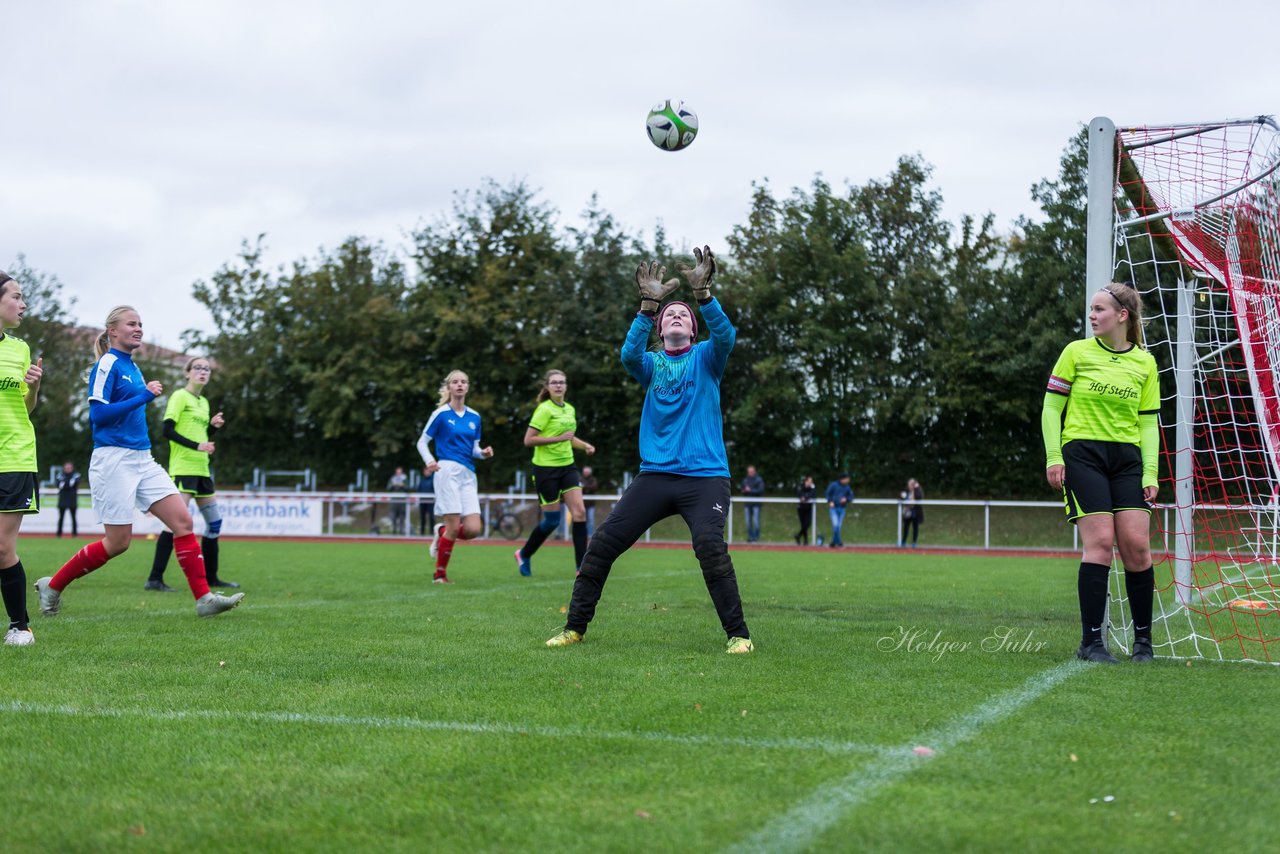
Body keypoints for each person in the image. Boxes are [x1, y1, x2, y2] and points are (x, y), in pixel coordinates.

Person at [546, 245, 753, 654]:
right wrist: (647, 307)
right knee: (602, 544)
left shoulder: (708, 357)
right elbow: (628, 354)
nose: (676, 317)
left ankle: (739, 636)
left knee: (709, 547)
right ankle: (574, 628)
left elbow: (726, 334)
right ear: (660, 331)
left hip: (705, 477)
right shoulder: (652, 364)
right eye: (668, 316)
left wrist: (704, 295)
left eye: (684, 316)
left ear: (694, 331)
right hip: (655, 476)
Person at [34, 307, 244, 619]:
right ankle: (53, 585)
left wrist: (143, 396)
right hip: (113, 460)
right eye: (132, 324)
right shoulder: (107, 364)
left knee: (183, 522)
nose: (139, 329)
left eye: (141, 324)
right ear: (112, 331)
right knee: (118, 543)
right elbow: (98, 415)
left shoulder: (132, 366)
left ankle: (204, 598)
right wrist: (144, 397)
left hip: (142, 459)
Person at [1042, 282, 1159, 665]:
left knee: (1137, 548)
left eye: (1099, 309)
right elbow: (1050, 409)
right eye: (1091, 310)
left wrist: (1150, 473)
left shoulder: (1145, 363)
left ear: (1122, 316)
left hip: (1127, 460)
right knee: (1101, 542)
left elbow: (1147, 424)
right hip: (1082, 455)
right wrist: (1054, 457)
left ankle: (1143, 644)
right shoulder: (1075, 353)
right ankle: (1091, 644)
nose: (1092, 316)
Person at [146, 356, 239, 591]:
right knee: (174, 525)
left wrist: (211, 430)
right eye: (198, 368)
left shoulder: (204, 403)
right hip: (183, 470)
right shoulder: (179, 396)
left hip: (202, 470)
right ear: (187, 373)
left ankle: (212, 577)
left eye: (207, 369)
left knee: (214, 523)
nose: (203, 372)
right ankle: (154, 579)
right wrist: (198, 446)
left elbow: (201, 438)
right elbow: (167, 430)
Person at [514, 369, 596, 577]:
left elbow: (569, 437)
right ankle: (524, 553)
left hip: (567, 466)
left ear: (566, 386)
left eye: (562, 382)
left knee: (579, 513)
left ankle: (581, 568)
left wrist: (584, 445)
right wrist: (558, 439)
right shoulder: (544, 410)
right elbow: (528, 440)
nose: (558, 385)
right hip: (545, 469)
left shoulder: (569, 409)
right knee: (552, 521)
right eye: (554, 383)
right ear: (548, 387)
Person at [416, 369, 494, 583]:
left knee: (473, 529)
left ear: (467, 387)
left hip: (468, 474)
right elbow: (422, 442)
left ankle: (441, 531)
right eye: (455, 382)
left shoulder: (475, 417)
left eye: (463, 382)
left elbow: (474, 449)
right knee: (454, 526)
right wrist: (430, 461)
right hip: (447, 470)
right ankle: (439, 574)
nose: (459, 385)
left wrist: (483, 453)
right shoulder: (441, 414)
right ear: (449, 387)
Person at [0, 271, 42, 645]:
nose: (23, 303)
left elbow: (27, 409)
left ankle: (19, 625)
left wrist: (34, 386)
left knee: (2, 546)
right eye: (16, 296)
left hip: (14, 454)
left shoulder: (20, 349)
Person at [825, 472, 854, 548]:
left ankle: (834, 543)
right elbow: (827, 494)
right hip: (834, 508)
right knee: (836, 525)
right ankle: (839, 542)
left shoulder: (847, 487)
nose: (848, 480)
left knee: (838, 526)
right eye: (847, 479)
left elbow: (851, 497)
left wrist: (846, 499)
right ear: (843, 479)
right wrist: (830, 501)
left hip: (842, 508)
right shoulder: (833, 485)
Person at [55, 461, 81, 538]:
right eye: (66, 468)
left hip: (72, 499)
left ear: (72, 468)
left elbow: (73, 484)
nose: (67, 469)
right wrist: (68, 483)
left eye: (69, 468)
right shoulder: (60, 475)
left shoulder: (76, 475)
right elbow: (59, 485)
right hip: (62, 499)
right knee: (61, 518)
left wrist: (64, 483)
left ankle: (74, 534)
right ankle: (59, 534)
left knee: (73, 518)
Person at [740, 464, 764, 543]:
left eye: (751, 471)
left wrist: (750, 490)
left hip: (756, 504)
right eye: (749, 472)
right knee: (748, 522)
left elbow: (760, 491)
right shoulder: (745, 480)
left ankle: (756, 538)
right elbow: (742, 490)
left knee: (756, 522)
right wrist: (744, 490)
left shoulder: (759, 480)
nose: (750, 473)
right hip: (747, 504)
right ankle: (750, 537)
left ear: (754, 471)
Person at [900, 478, 923, 548]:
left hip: (915, 511)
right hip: (907, 511)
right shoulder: (905, 491)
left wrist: (916, 488)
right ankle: (903, 541)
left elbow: (919, 497)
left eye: (913, 484)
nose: (911, 485)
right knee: (906, 527)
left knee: (915, 527)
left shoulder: (918, 491)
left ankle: (914, 542)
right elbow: (901, 497)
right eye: (910, 484)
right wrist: (902, 496)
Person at [386, 465, 409, 534]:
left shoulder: (405, 479)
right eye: (397, 472)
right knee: (393, 516)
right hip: (394, 501)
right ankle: (394, 530)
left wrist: (403, 485)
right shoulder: (392, 479)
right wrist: (393, 485)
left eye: (400, 472)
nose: (399, 474)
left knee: (402, 516)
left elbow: (408, 488)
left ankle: (401, 530)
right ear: (396, 472)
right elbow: (388, 488)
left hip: (402, 501)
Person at [795, 475, 816, 545]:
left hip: (809, 508)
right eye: (809, 481)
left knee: (807, 524)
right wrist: (802, 497)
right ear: (805, 481)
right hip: (801, 508)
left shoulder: (812, 487)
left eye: (811, 481)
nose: (810, 483)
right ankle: (805, 540)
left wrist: (805, 497)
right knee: (803, 524)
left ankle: (798, 535)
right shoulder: (800, 487)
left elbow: (813, 494)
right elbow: (798, 493)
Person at [415, 467, 436, 536]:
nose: (426, 472)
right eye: (425, 471)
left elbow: (435, 490)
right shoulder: (422, 480)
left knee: (431, 517)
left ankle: (432, 532)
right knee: (422, 517)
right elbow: (418, 490)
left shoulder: (433, 480)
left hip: (431, 502)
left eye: (427, 471)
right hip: (422, 502)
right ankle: (422, 532)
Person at [579, 465, 599, 536]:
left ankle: (590, 534)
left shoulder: (593, 479)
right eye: (585, 472)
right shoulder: (580, 479)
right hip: (582, 503)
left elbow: (594, 487)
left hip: (591, 504)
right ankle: (583, 534)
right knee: (582, 519)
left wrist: (584, 486)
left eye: (587, 472)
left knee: (591, 519)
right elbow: (578, 488)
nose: (586, 473)